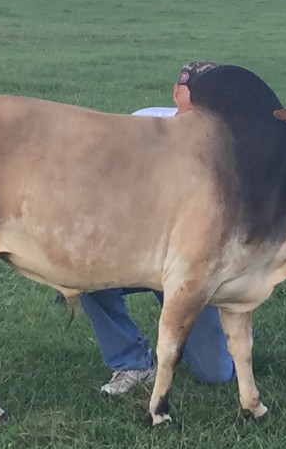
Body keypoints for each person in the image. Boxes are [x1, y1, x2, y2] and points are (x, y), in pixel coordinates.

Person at [81, 61, 237, 395]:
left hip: (193, 266)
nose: (197, 101)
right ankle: (131, 362)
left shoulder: (228, 142)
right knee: (83, 275)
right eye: (191, 91)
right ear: (177, 92)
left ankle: (233, 332)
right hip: (140, 253)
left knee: (217, 374)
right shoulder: (144, 122)